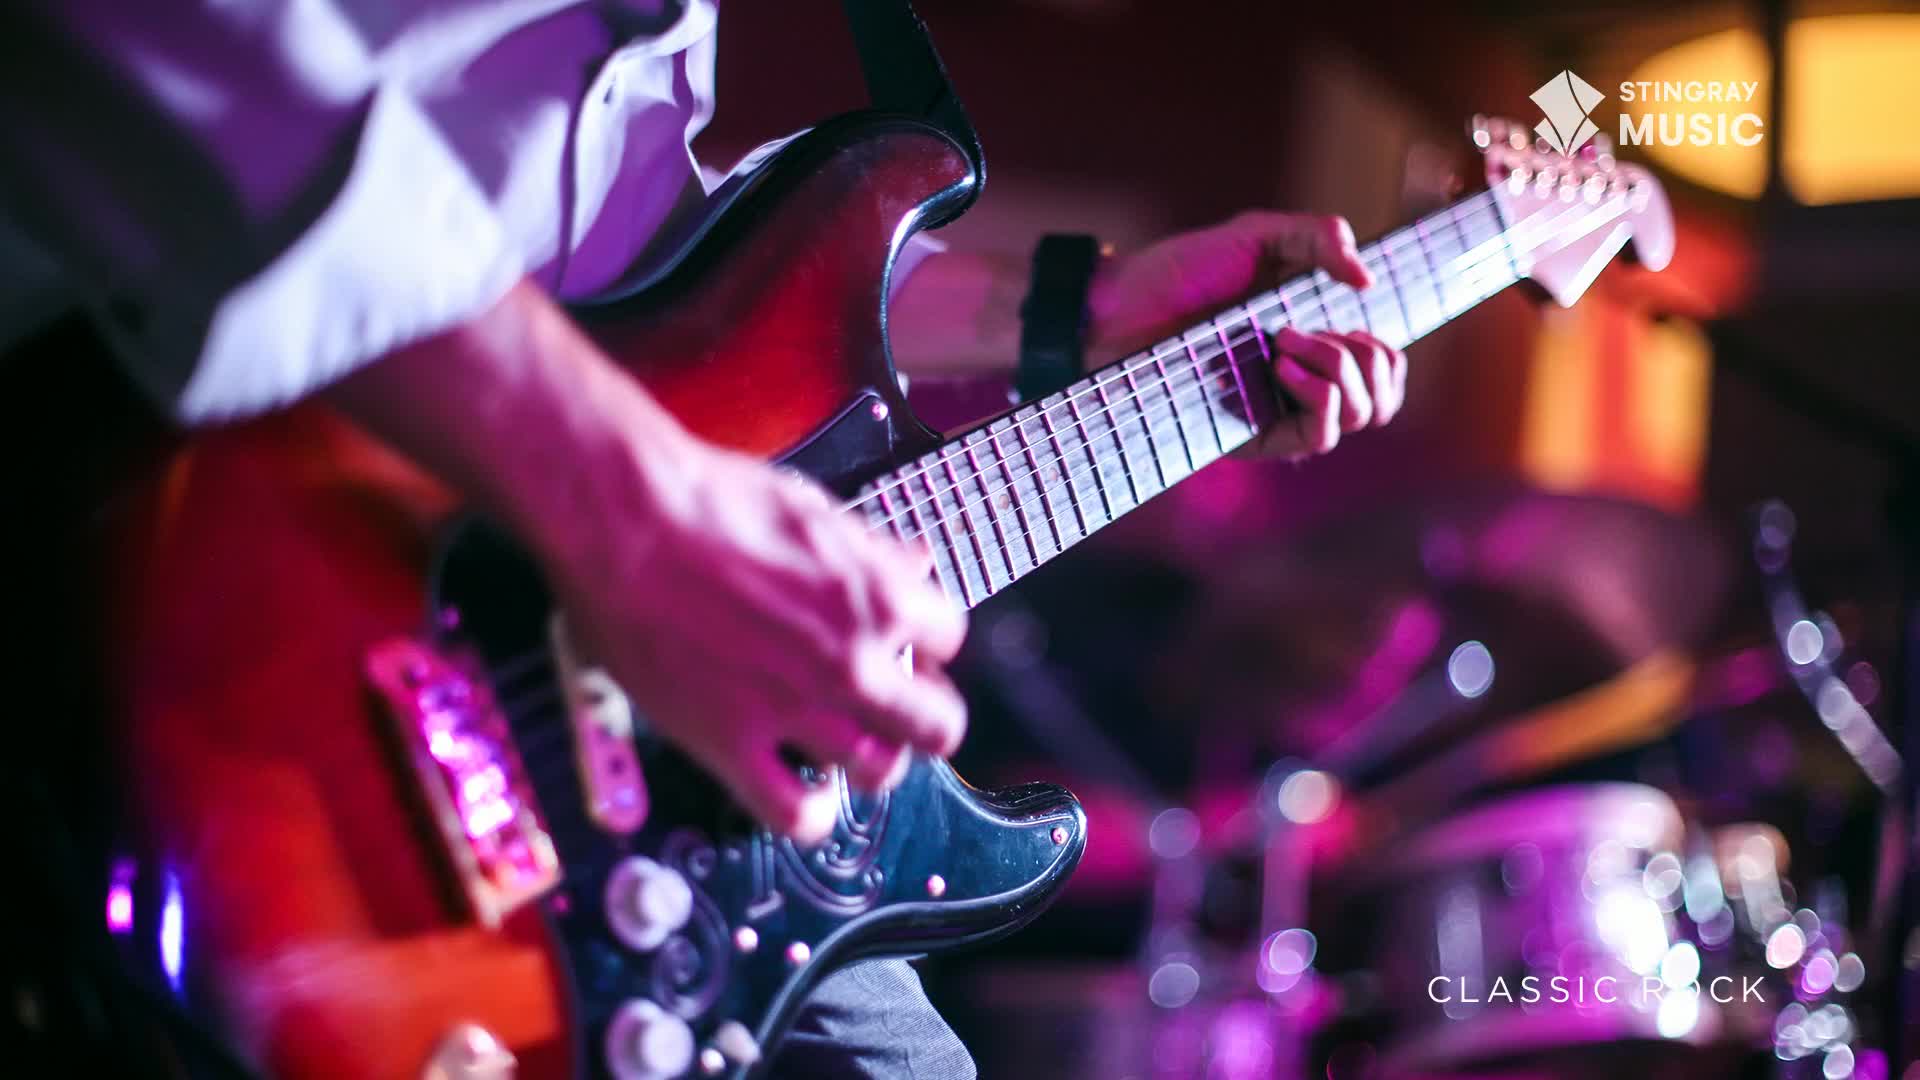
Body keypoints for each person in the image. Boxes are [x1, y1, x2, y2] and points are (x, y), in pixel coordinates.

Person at [0, 2, 1407, 1076]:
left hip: (575, 739)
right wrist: (629, 509)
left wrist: (1078, 316)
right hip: (186, 520)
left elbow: (632, 257)